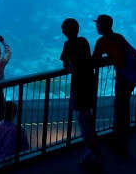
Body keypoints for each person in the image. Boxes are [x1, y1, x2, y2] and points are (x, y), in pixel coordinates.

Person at [60, 18, 100, 166]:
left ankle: (92, 149)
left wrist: (70, 65)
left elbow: (65, 65)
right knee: (87, 115)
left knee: (83, 119)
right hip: (90, 81)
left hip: (79, 85)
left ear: (65, 31)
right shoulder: (83, 41)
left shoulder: (68, 44)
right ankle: (93, 146)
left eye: (63, 29)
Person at [92, 14, 133, 157]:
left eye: (97, 24)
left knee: (120, 108)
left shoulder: (102, 41)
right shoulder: (119, 37)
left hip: (123, 77)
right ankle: (122, 140)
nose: (96, 26)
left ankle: (120, 144)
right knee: (123, 108)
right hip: (129, 77)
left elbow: (95, 60)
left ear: (102, 26)